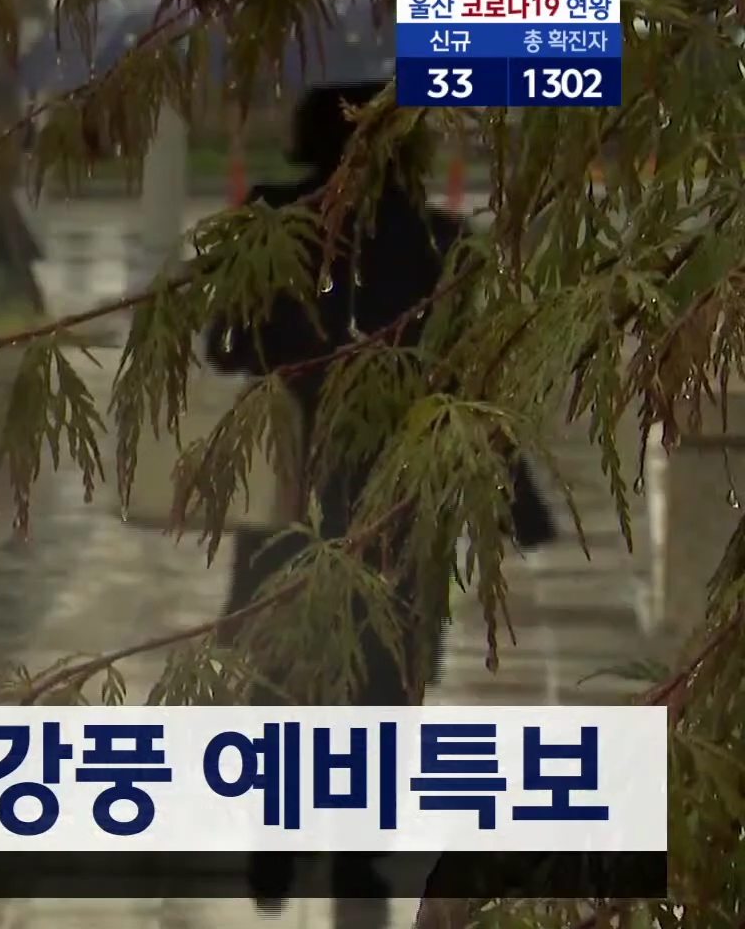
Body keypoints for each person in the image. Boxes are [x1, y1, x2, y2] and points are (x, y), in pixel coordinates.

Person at [204, 80, 556, 923]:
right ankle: (356, 859)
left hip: (297, 486)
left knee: (280, 660)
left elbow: (223, 346)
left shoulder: (271, 223)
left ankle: (278, 834)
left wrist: (291, 349)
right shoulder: (442, 243)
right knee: (383, 680)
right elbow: (471, 382)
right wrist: (517, 502)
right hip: (398, 494)